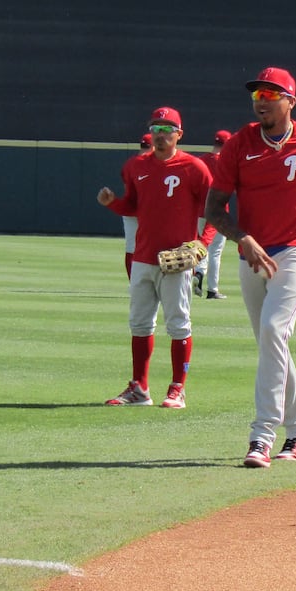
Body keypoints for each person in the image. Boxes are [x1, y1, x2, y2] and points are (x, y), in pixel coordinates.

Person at [204, 67, 296, 468]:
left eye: (271, 94)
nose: (261, 100)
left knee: (273, 330)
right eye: (257, 94)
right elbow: (214, 209)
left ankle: (262, 435)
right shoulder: (239, 145)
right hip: (252, 254)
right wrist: (243, 238)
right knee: (272, 344)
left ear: (290, 101)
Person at [97, 107, 212, 409]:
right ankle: (139, 388)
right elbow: (133, 207)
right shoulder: (135, 166)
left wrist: (202, 243)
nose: (161, 136)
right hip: (142, 256)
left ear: (179, 134)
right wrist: (113, 204)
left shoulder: (194, 168)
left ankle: (178, 388)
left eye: (167, 129)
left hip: (176, 258)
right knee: (139, 324)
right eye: (156, 129)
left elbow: (215, 209)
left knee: (178, 324)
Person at [193, 129, 232, 300]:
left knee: (202, 246)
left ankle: (197, 272)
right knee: (215, 251)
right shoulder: (226, 163)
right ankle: (212, 289)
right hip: (219, 212)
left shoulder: (200, 161)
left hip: (200, 211)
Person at [120, 132, 154, 280]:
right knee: (153, 247)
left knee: (131, 248)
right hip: (146, 211)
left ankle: (133, 283)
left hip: (129, 210)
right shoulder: (152, 164)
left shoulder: (129, 164)